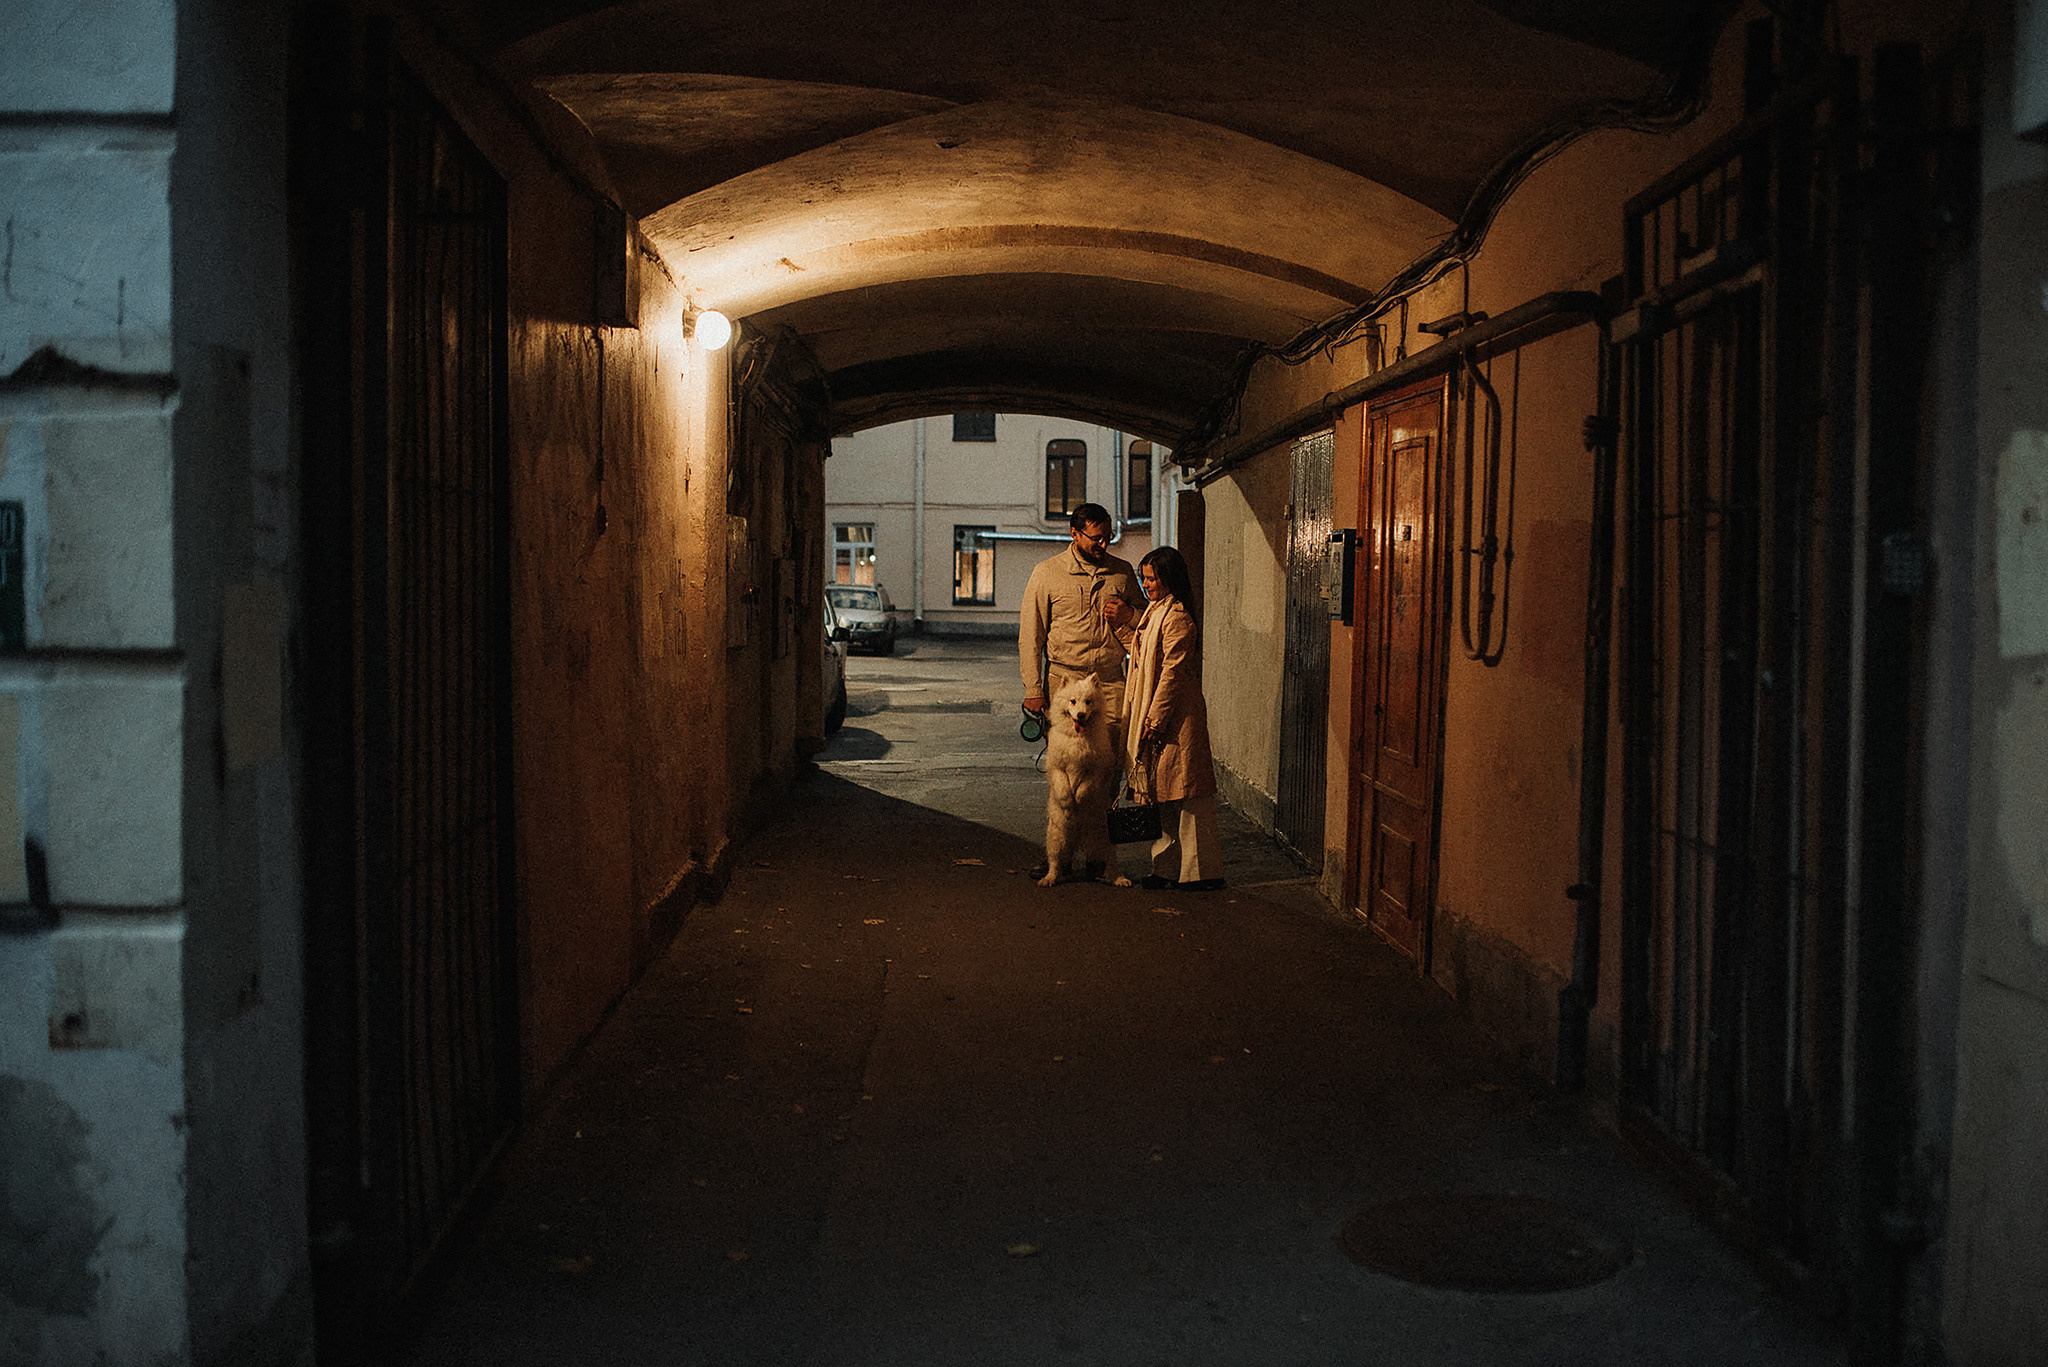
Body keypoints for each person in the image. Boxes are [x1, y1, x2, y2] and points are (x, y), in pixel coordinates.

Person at [1108, 545, 1223, 891]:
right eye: (1143, 578)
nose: (1145, 585)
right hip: (1159, 715)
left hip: (1176, 718)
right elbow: (1142, 653)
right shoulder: (1157, 611)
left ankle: (1200, 873)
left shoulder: (1177, 617)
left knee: (1188, 798)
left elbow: (1172, 672)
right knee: (1162, 796)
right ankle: (1167, 870)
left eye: (1151, 579)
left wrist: (1155, 719)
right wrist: (1121, 627)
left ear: (1168, 579)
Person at [1019, 502, 1145, 742]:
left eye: (1108, 537)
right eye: (1096, 538)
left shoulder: (1122, 572)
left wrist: (1129, 614)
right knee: (1066, 754)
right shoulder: (1047, 573)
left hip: (1108, 682)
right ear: (1074, 533)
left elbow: (1148, 619)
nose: (1104, 544)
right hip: (1064, 681)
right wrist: (1033, 689)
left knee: (1112, 752)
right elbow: (1031, 635)